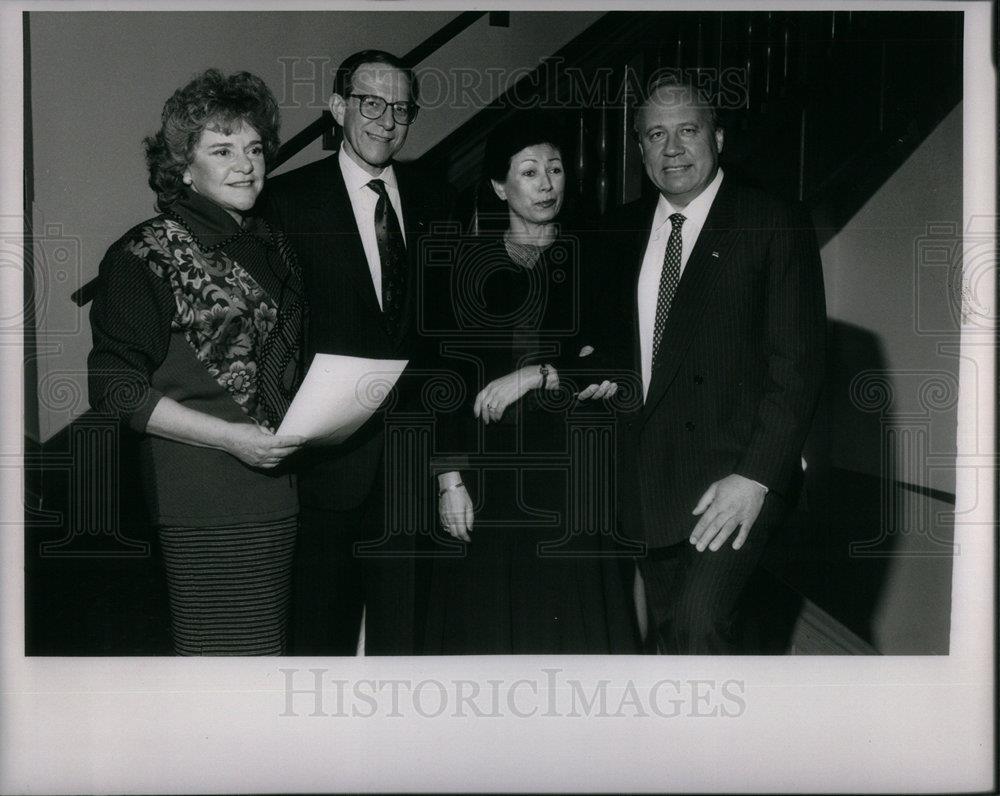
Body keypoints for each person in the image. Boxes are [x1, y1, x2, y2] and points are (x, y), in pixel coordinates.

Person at [600, 74, 827, 654]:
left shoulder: (771, 222)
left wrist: (755, 479)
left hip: (736, 478)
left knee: (701, 624)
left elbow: (797, 370)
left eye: (688, 130)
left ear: (718, 138)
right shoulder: (619, 230)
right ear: (641, 148)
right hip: (646, 484)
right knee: (668, 637)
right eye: (656, 134)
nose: (672, 148)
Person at [87, 70, 306, 655]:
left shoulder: (268, 243)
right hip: (202, 499)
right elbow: (114, 388)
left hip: (277, 490)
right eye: (223, 150)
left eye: (255, 148)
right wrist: (232, 439)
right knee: (220, 673)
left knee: (262, 666)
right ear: (184, 167)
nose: (246, 164)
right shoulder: (144, 253)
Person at [424, 111, 640, 654]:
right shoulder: (462, 268)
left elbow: (621, 360)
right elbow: (443, 383)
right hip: (491, 480)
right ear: (499, 186)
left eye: (556, 169)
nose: (546, 184)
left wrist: (534, 374)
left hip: (577, 480)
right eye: (528, 171)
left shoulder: (599, 258)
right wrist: (449, 480)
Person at [260, 50, 453, 655]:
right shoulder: (287, 202)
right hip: (323, 476)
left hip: (410, 472)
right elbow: (270, 339)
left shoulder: (436, 196)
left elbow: (445, 340)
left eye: (401, 109)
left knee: (407, 650)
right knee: (319, 649)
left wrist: (449, 468)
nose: (386, 121)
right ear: (339, 107)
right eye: (371, 103)